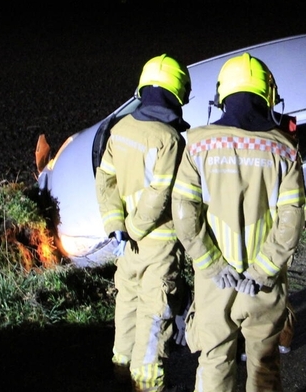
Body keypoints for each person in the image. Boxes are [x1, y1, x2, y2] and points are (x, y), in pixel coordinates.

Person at [171, 53, 306, 392]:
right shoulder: (285, 151)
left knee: (215, 359)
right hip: (262, 287)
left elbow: (185, 213)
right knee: (263, 365)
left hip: (214, 284)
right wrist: (261, 271)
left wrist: (213, 266)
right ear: (268, 95)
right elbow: (291, 221)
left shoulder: (198, 145)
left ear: (221, 96)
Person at [95, 54, 192, 392]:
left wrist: (116, 227)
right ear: (178, 94)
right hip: (157, 246)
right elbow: (161, 194)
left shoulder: (120, 129)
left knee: (126, 315)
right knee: (154, 322)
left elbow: (104, 181)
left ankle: (121, 380)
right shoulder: (169, 139)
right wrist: (135, 228)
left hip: (126, 249)